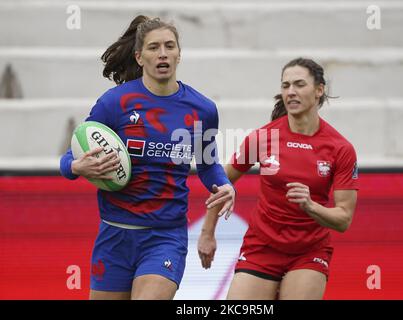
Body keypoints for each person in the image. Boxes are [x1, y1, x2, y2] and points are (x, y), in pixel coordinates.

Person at [60, 15, 235, 300]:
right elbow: (67, 161)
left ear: (179, 54)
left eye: (170, 46)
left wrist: (225, 184)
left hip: (165, 237)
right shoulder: (115, 103)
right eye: (154, 47)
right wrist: (78, 166)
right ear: (140, 57)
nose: (163, 53)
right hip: (114, 235)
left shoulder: (202, 109)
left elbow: (207, 165)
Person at [198, 57, 359, 300]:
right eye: (285, 86)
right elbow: (221, 182)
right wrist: (207, 233)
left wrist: (311, 206)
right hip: (262, 246)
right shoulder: (263, 138)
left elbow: (343, 219)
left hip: (309, 251)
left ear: (319, 90)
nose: (291, 92)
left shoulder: (340, 148)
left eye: (299, 84)